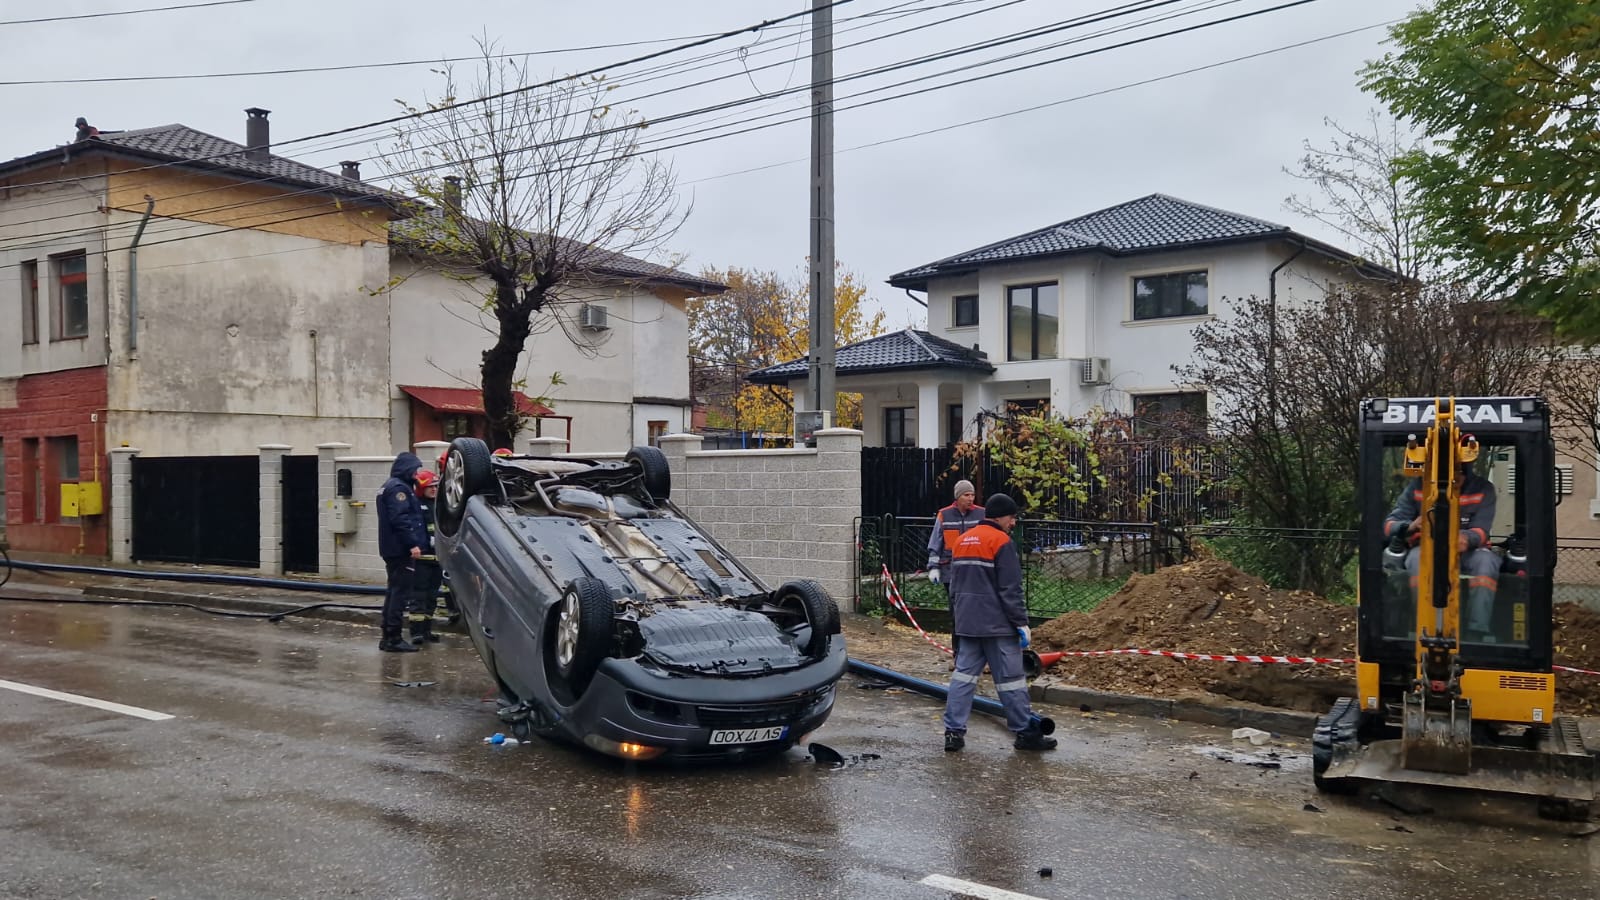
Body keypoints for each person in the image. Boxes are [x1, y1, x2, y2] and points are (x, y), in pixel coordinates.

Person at [943, 492, 1057, 752]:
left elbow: (954, 587)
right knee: (1011, 681)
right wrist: (1021, 623)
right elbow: (1010, 589)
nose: (1013, 523)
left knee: (963, 679)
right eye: (1011, 517)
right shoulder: (1001, 542)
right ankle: (1025, 733)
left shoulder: (962, 540)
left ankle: (953, 733)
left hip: (967, 624)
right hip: (997, 625)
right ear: (1000, 517)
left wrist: (959, 619)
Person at [1383, 462, 1500, 637]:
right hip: (1425, 547)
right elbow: (1389, 525)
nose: (1451, 481)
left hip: (1469, 552)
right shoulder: (1417, 487)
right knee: (1416, 560)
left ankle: (1477, 631)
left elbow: (1482, 530)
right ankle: (1421, 625)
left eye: (1457, 475)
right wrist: (1411, 526)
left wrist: (1467, 539)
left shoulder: (1483, 489)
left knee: (1486, 562)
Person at [376, 452, 428, 653]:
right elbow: (401, 519)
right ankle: (394, 638)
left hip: (391, 548)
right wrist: (412, 544)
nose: (416, 474)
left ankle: (388, 636)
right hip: (400, 549)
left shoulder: (388, 486)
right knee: (399, 594)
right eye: (414, 469)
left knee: (393, 591)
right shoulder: (399, 489)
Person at [407, 468, 443, 645]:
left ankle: (427, 630)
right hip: (421, 560)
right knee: (418, 596)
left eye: (436, 486)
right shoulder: (415, 505)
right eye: (430, 487)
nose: (434, 489)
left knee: (432, 597)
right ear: (422, 488)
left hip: (437, 559)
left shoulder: (439, 505)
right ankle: (416, 632)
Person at [926, 480, 985, 586]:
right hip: (950, 571)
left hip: (975, 571)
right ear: (957, 497)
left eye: (972, 495)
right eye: (966, 495)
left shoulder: (982, 514)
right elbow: (935, 544)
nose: (970, 499)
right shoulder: (944, 515)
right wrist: (933, 567)